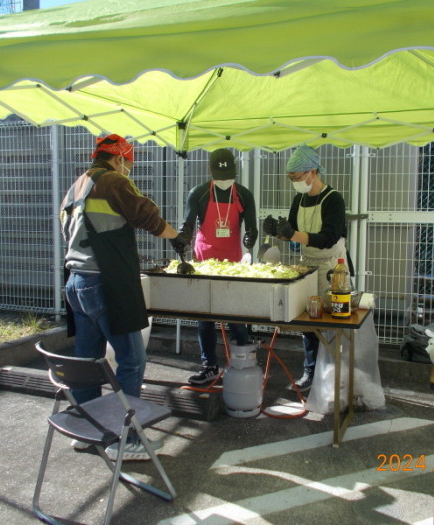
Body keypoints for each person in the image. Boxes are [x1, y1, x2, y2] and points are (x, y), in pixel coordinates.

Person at [60, 134, 188, 460]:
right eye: (128, 164)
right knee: (131, 360)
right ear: (118, 159)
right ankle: (126, 440)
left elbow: (70, 229)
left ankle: (88, 431)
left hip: (76, 282)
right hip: (107, 283)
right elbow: (145, 214)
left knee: (88, 362)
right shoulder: (114, 180)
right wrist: (176, 237)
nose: (128, 170)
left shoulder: (78, 185)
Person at [264, 144, 348, 392]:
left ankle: (333, 374)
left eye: (297, 178)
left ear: (312, 172)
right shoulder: (299, 198)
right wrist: (278, 232)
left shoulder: (334, 199)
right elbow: (292, 231)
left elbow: (328, 238)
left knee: (331, 323)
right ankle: (310, 371)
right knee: (309, 323)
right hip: (307, 265)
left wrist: (293, 234)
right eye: (291, 179)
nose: (294, 183)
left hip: (333, 267)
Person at [179, 148, 258, 384]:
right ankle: (209, 365)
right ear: (210, 172)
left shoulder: (243, 194)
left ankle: (242, 362)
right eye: (220, 176)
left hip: (232, 262)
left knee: (235, 315)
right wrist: (181, 238)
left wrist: (250, 238)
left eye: (229, 176)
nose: (225, 181)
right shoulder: (200, 193)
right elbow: (188, 225)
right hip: (205, 261)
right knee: (205, 316)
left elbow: (252, 227)